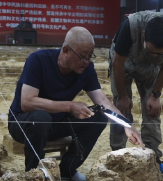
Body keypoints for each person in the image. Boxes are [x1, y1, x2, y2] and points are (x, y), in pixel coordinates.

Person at [8, 26, 145, 181]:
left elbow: (102, 101)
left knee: (98, 117)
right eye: (82, 56)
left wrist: (126, 125)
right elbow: (27, 102)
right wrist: (70, 106)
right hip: (24, 122)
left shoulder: (86, 70)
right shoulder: (38, 60)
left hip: (56, 122)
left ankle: (67, 170)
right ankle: (35, 174)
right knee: (41, 117)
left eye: (89, 56)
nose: (86, 62)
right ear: (66, 50)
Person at [108, 11, 163, 179]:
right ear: (143, 35)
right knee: (121, 109)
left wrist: (155, 96)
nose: (154, 55)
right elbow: (117, 63)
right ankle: (117, 155)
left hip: (152, 69)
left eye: (160, 52)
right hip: (124, 64)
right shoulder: (130, 27)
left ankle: (153, 158)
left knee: (153, 110)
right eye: (151, 50)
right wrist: (122, 96)